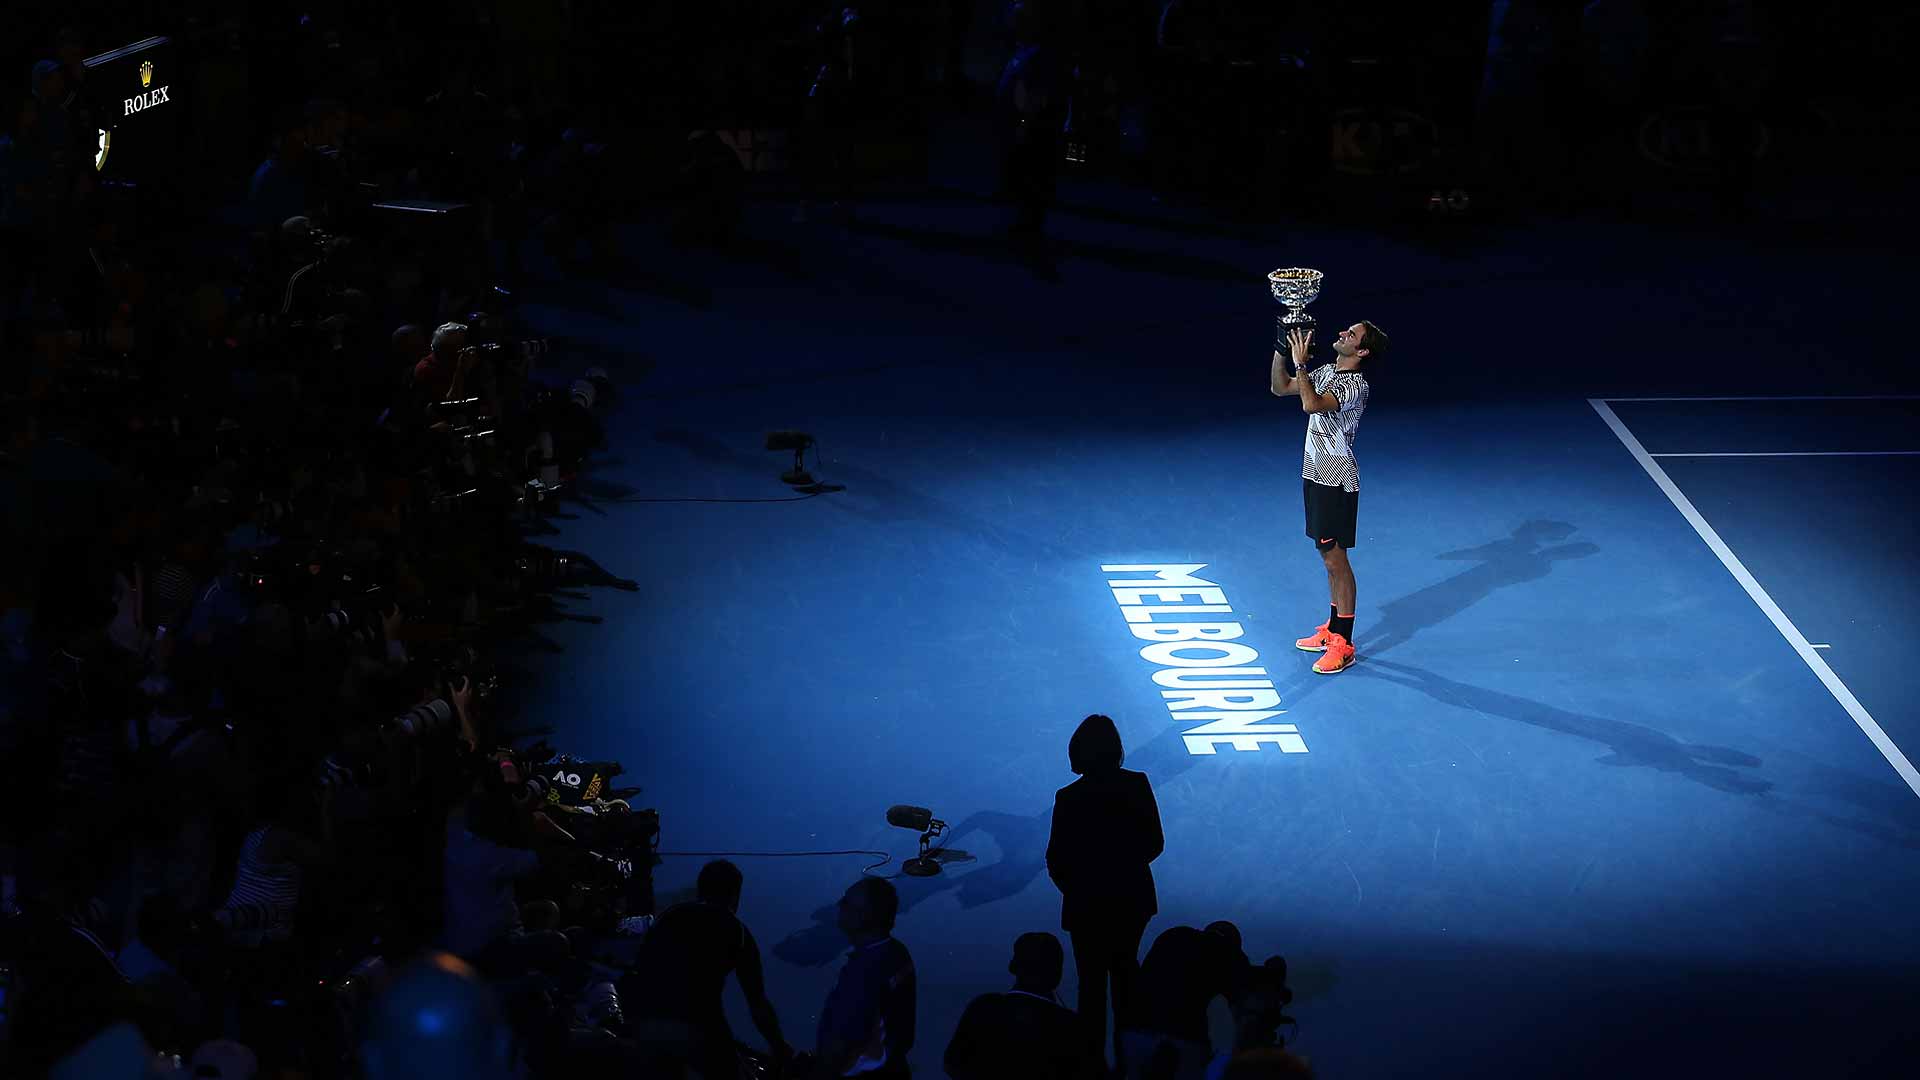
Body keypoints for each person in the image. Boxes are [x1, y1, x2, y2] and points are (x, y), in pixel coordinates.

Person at [1044, 714, 1163, 1067]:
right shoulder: (1137, 784)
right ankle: (1132, 1064)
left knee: (1091, 988)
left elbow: (1056, 859)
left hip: (1085, 908)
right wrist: (1124, 872)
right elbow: (1154, 843)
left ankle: (1091, 1067)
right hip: (1132, 902)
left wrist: (1080, 889)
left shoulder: (1067, 797)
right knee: (1127, 978)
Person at [1268, 321, 1386, 674]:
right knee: (1327, 556)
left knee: (1337, 560)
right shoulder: (1325, 371)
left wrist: (1301, 364)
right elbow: (1280, 387)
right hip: (1315, 474)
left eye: (1352, 336)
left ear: (1362, 351)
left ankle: (1344, 643)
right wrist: (1281, 350)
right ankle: (1333, 628)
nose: (1343, 335)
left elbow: (1311, 404)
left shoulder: (1355, 385)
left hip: (1336, 479)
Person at [622, 859, 794, 1080]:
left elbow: (641, 966)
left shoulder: (668, 917)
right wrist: (778, 1045)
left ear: (700, 888)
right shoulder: (739, 934)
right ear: (735, 895)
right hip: (700, 1028)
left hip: (647, 1024)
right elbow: (757, 1003)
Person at [944, 931, 1101, 1080]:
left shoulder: (983, 1007)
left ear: (1013, 967)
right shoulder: (1071, 1027)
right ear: (1057, 975)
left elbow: (952, 1062)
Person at [812, 876, 917, 1080]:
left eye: (846, 902)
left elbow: (842, 1043)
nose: (839, 905)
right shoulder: (898, 952)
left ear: (865, 916)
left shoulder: (863, 971)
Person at [1118, 922, 1249, 1080]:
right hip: (1185, 1040)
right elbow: (1240, 1006)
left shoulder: (1171, 935)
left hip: (1136, 1035)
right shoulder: (1229, 955)